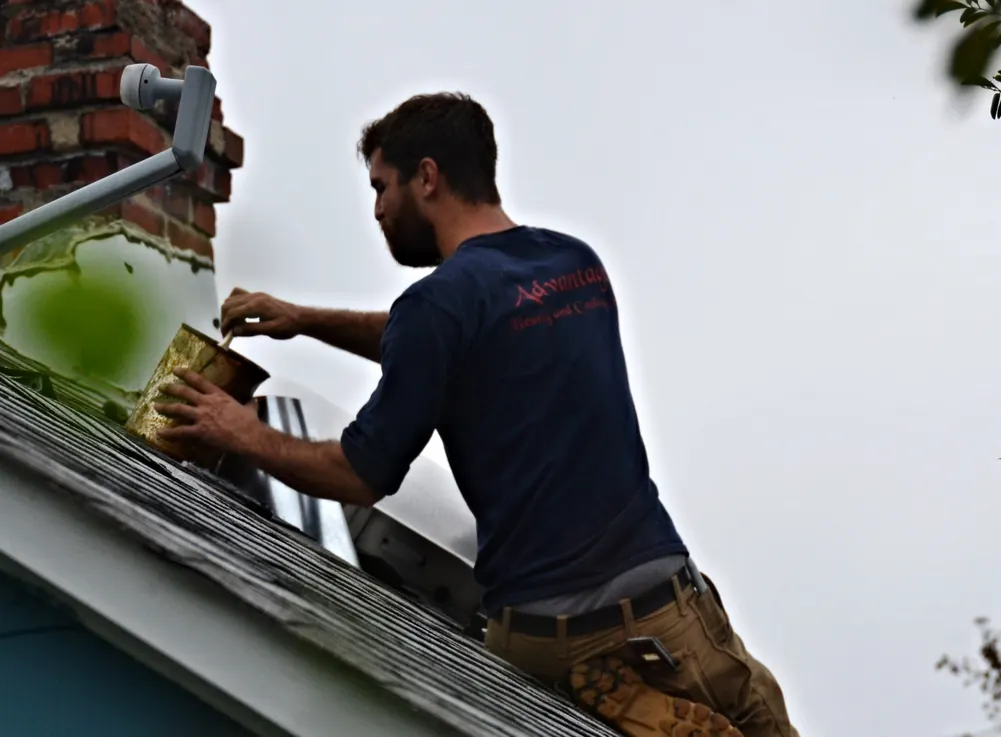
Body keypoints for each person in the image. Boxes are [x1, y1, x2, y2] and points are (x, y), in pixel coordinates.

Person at [154, 92, 800, 737]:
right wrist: (308, 320)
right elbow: (468, 340)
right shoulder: (574, 263)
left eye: (382, 186)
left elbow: (361, 471)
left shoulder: (437, 309)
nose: (377, 208)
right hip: (678, 615)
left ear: (427, 177)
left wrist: (239, 429)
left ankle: (634, 707)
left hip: (555, 642)